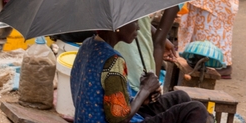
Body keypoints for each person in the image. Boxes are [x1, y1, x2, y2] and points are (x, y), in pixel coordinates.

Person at [70, 22, 209, 123]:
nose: (138, 27)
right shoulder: (113, 61)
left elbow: (106, 97)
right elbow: (119, 119)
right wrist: (144, 90)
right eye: (135, 22)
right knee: (196, 110)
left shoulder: (87, 45)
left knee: (181, 97)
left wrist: (144, 97)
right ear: (118, 26)